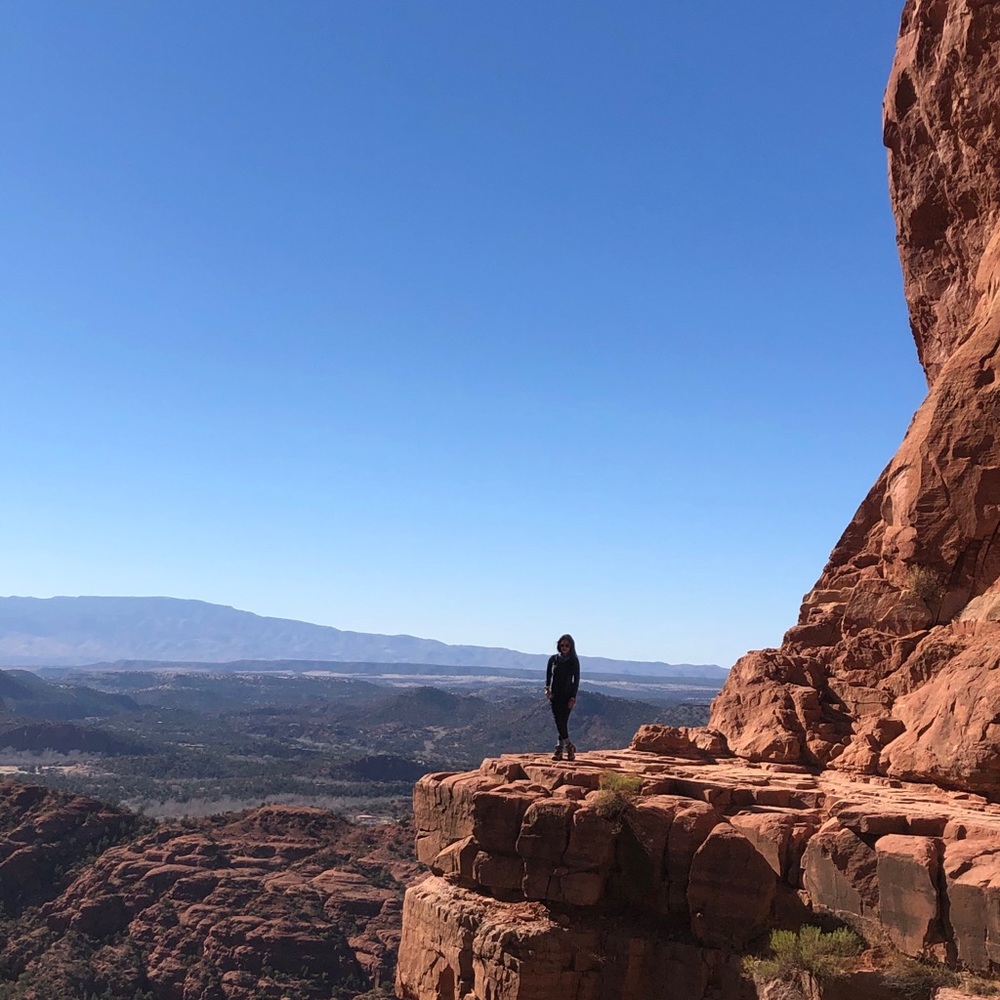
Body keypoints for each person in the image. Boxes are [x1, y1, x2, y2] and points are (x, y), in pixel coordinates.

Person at [545, 633, 580, 761]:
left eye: (567, 645)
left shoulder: (573, 661)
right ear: (559, 645)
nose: (564, 647)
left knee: (562, 722)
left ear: (571, 646)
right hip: (555, 695)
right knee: (558, 721)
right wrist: (547, 688)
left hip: (567, 696)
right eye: (562, 645)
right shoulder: (553, 659)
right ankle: (568, 747)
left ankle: (559, 749)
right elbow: (548, 675)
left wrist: (573, 697)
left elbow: (576, 680)